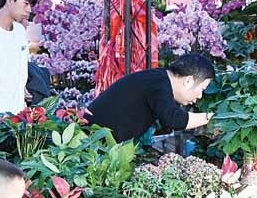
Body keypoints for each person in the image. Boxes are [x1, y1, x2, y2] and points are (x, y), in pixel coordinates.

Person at [84, 53, 215, 142]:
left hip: (99, 141)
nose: (200, 96)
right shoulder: (159, 84)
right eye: (202, 89)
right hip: (91, 142)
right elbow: (173, 119)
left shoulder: (159, 79)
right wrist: (214, 118)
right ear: (188, 81)